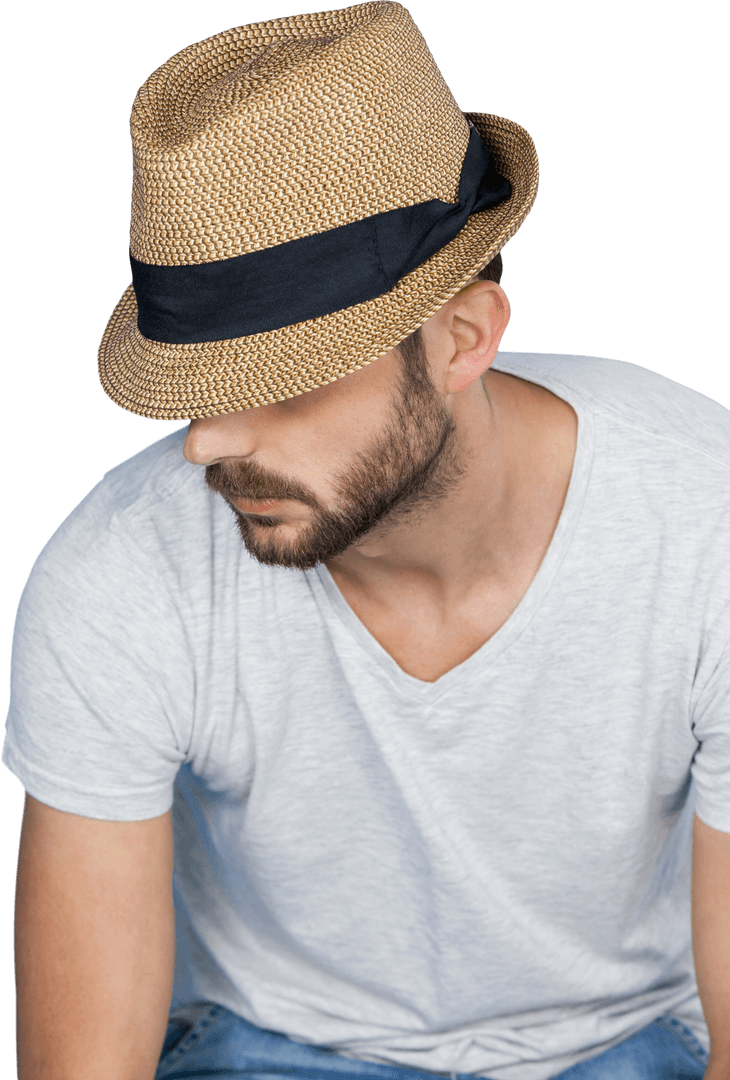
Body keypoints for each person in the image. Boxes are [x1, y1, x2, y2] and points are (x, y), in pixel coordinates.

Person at [4, 4, 729, 1080]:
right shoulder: (123, 574)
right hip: (270, 1046)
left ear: (463, 338)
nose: (206, 442)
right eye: (197, 383)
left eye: (282, 381)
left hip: (626, 1042)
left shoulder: (703, 522)